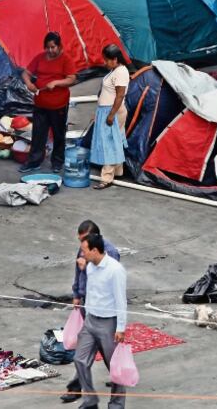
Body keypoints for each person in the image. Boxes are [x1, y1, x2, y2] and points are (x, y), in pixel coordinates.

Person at [61, 221, 122, 404]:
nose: (81, 248)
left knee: (107, 354)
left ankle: (117, 395)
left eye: (84, 242)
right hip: (90, 310)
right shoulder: (84, 250)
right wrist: (77, 295)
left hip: (106, 313)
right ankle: (82, 392)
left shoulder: (111, 255)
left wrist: (86, 265)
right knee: (82, 355)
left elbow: (107, 283)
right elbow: (79, 274)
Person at [74, 233, 128, 409]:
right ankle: (90, 400)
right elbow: (91, 293)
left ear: (95, 250)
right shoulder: (90, 267)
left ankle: (116, 404)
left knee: (115, 367)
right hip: (91, 321)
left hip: (108, 324)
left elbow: (121, 300)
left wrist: (120, 327)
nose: (82, 255)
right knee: (80, 360)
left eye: (84, 251)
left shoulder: (115, 270)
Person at [20, 32, 76, 174]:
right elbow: (25, 73)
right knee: (38, 133)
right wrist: (28, 84)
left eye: (53, 47)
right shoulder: (39, 57)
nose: (50, 50)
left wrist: (56, 82)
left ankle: (57, 161)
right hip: (40, 103)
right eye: (48, 47)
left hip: (58, 104)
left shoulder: (66, 59)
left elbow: (71, 79)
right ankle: (34, 161)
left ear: (59, 46)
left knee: (58, 133)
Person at [92, 45, 130, 189]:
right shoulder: (114, 70)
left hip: (113, 110)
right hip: (106, 109)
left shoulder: (121, 72)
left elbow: (120, 95)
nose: (105, 63)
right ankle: (118, 171)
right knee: (116, 140)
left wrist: (111, 115)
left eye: (107, 60)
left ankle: (106, 177)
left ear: (115, 59)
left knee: (109, 142)